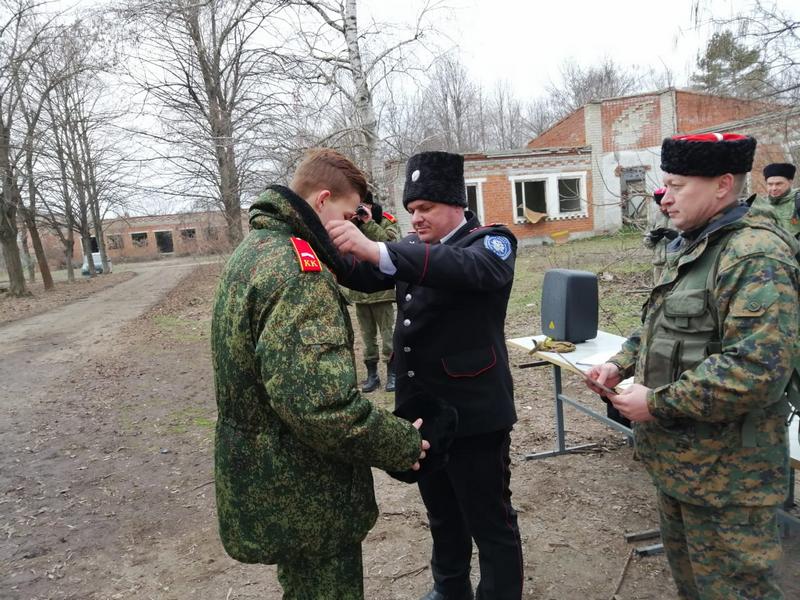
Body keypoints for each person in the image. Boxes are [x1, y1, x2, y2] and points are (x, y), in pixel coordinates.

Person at [586, 133, 800, 600]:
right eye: (665, 185)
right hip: (681, 465)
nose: (664, 197)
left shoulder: (754, 255)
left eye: (677, 185)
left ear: (722, 185)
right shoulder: (696, 244)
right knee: (693, 589)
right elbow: (660, 324)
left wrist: (657, 403)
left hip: (730, 480)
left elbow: (758, 369)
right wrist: (620, 364)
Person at [210, 148, 429, 599]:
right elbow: (321, 407)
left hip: (273, 477)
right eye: (348, 216)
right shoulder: (299, 272)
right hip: (308, 492)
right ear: (323, 200)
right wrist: (403, 443)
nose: (351, 227)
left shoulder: (255, 251)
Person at [328, 151, 524, 600]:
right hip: (424, 412)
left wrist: (379, 248)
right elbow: (365, 275)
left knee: (489, 521)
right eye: (412, 210)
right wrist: (331, 243)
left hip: (476, 416)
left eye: (426, 208)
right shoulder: (413, 250)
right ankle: (449, 589)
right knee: (442, 513)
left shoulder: (491, 243)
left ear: (456, 203)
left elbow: (465, 269)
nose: (416, 218)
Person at [348, 191, 401, 393]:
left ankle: (393, 373)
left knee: (388, 336)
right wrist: (352, 223)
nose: (360, 208)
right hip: (360, 289)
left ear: (370, 205)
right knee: (367, 338)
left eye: (364, 204)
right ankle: (372, 375)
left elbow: (391, 245)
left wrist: (369, 222)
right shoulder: (350, 222)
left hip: (382, 288)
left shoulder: (386, 220)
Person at [750, 162, 800, 238]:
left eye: (779, 184)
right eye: (770, 184)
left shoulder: (797, 201)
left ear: (790, 182)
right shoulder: (759, 205)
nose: (774, 188)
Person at [643, 186, 678, 284]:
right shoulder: (655, 216)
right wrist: (652, 239)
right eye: (660, 205)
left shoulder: (682, 215)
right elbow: (646, 241)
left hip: (676, 266)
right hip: (658, 267)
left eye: (665, 205)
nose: (663, 208)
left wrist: (677, 237)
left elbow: (692, 239)